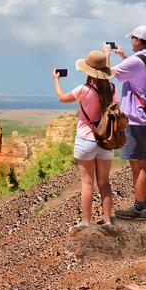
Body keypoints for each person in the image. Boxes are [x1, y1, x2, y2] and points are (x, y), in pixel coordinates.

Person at [52, 51, 119, 228]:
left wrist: (56, 80)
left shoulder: (84, 90)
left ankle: (86, 222)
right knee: (104, 182)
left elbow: (61, 98)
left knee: (87, 183)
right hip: (105, 140)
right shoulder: (112, 89)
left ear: (88, 71)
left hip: (86, 140)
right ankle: (107, 220)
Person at [104, 24, 146, 220]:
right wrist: (123, 55)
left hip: (136, 121)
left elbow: (107, 73)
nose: (131, 42)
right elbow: (138, 72)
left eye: (132, 39)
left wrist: (107, 54)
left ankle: (139, 209)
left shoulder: (136, 61)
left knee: (137, 166)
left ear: (138, 41)